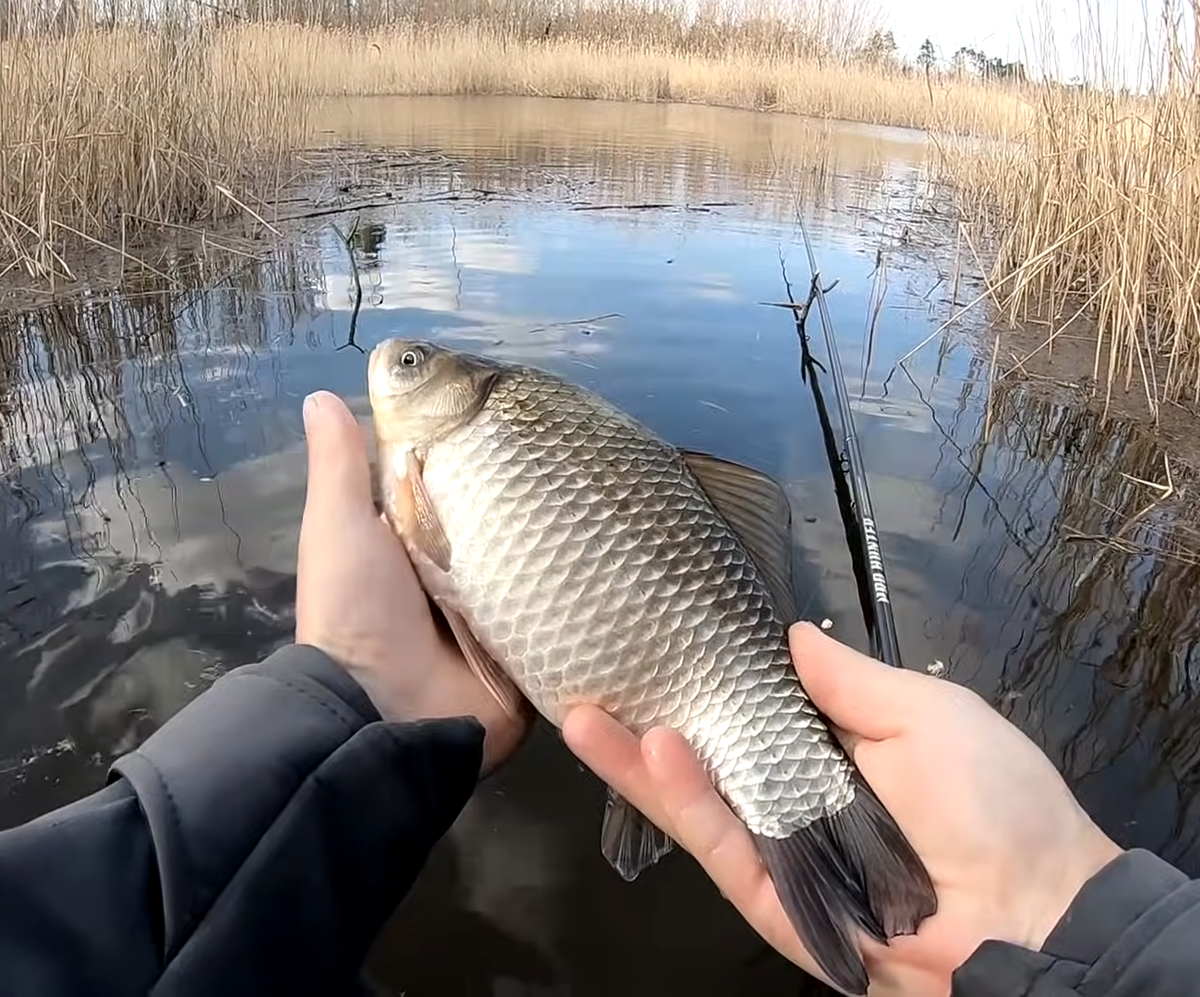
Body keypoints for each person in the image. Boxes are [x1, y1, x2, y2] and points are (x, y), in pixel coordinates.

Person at [0, 391, 1196, 997]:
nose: (391, 380)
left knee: (725, 761)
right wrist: (1074, 936)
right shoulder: (458, 444)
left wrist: (347, 693)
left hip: (692, 673)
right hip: (656, 670)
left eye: (411, 372)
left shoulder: (471, 435)